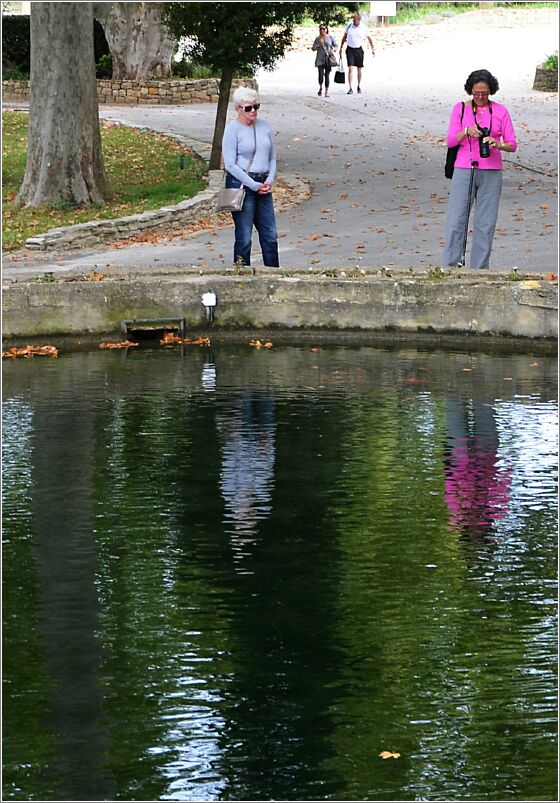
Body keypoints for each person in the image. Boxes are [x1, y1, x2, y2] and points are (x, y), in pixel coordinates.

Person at [443, 69, 517, 269]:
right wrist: (465, 131)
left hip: (491, 171)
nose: (480, 97)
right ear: (470, 91)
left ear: (491, 90)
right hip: (464, 168)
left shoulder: (501, 111)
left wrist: (497, 144)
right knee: (456, 220)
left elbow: (512, 144)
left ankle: (480, 269)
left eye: (484, 93)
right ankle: (450, 266)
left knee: (485, 224)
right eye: (476, 93)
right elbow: (450, 141)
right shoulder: (460, 109)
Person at [222, 86, 279, 268]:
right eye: (248, 108)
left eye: (256, 106)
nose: (253, 111)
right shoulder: (232, 130)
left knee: (270, 235)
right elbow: (230, 164)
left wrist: (269, 180)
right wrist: (253, 185)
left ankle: (273, 274)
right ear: (238, 109)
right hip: (242, 185)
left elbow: (272, 157)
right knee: (244, 236)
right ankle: (242, 274)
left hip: (263, 184)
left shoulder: (265, 126)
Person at [340, 11, 375, 94]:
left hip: (359, 49)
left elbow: (369, 38)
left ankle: (359, 86)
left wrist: (373, 48)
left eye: (355, 20)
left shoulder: (363, 27)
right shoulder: (349, 25)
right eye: (353, 19)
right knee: (350, 68)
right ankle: (350, 87)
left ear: (359, 20)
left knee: (359, 68)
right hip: (350, 49)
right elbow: (344, 36)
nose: (354, 21)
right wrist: (341, 47)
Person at [312, 24, 338, 97]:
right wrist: (318, 45)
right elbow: (313, 48)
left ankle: (326, 92)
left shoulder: (330, 37)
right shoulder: (317, 38)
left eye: (323, 29)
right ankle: (320, 87)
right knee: (320, 75)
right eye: (320, 29)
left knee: (327, 75)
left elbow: (336, 45)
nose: (322, 30)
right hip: (320, 59)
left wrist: (333, 50)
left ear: (326, 29)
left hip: (328, 59)